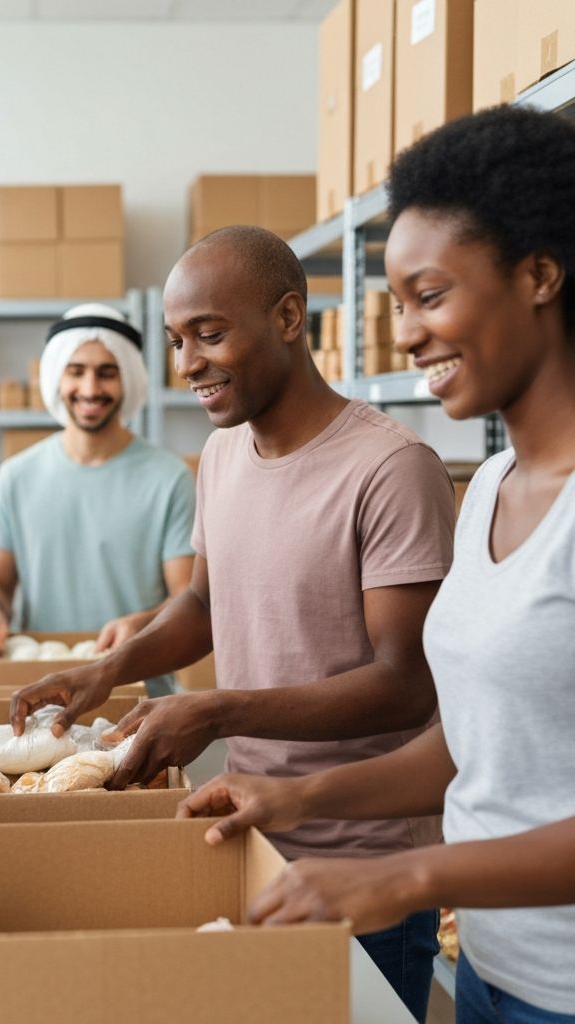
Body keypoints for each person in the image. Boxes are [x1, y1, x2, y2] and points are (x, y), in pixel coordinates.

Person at [180, 105, 575, 1024]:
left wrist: (404, 875)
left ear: (540, 275)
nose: (404, 336)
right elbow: (469, 748)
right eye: (396, 304)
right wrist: (289, 800)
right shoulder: (489, 488)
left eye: (430, 297)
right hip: (490, 968)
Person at [11, 229, 456, 1018]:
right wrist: (107, 668)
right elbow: (205, 605)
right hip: (251, 834)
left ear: (289, 317)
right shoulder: (222, 455)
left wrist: (217, 708)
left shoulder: (390, 469)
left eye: (210, 334)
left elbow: (405, 687)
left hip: (363, 856)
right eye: (179, 341)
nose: (187, 366)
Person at [0, 303, 196, 695]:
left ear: (127, 380)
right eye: (76, 372)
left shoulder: (169, 478)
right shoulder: (17, 476)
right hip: (41, 692)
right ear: (57, 379)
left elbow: (188, 595)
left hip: (138, 690)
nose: (90, 389)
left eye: (106, 374)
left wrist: (142, 623)